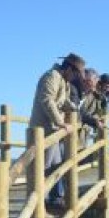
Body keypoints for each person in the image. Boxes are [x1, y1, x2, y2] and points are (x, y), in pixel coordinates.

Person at [29, 53, 85, 209]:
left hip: (52, 130)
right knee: (43, 168)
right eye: (76, 73)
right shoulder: (52, 76)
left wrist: (75, 111)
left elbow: (63, 101)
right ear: (69, 68)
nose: (76, 77)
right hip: (44, 129)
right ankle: (37, 204)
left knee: (55, 167)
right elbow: (47, 100)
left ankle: (51, 201)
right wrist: (61, 122)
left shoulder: (63, 80)